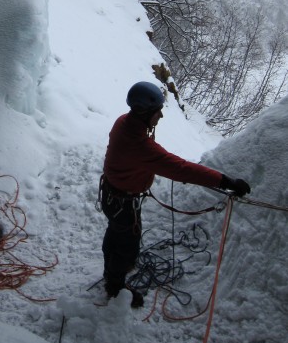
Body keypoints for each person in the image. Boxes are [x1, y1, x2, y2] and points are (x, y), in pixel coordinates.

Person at [100, 81, 251, 308]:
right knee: (127, 249)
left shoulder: (124, 122)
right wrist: (224, 181)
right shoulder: (139, 145)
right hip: (124, 203)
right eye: (156, 111)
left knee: (115, 235)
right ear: (143, 112)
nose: (161, 115)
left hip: (112, 196)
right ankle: (115, 287)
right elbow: (181, 168)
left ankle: (111, 275)